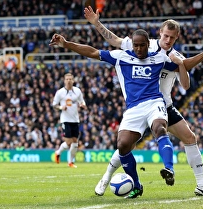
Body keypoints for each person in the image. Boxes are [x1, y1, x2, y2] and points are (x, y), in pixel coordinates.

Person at [84, 6, 203, 197]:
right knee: (125, 145)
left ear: (177, 37)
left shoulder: (174, 56)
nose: (168, 40)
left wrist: (188, 61)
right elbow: (115, 40)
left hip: (163, 106)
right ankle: (106, 177)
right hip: (141, 104)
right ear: (159, 34)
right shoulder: (143, 45)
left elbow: (186, 82)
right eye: (165, 36)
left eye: (172, 38)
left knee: (190, 138)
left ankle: (202, 185)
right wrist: (97, 23)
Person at [49, 29, 188, 198]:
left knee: (159, 128)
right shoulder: (120, 56)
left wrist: (200, 57)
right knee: (122, 145)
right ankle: (136, 185)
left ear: (148, 45)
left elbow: (185, 65)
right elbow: (92, 51)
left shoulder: (159, 58)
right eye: (136, 45)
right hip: (133, 109)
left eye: (142, 45)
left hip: (154, 103)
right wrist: (66, 44)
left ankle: (169, 169)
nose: (138, 49)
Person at [52, 73, 87, 168]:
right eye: (67, 79)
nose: (69, 81)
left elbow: (82, 101)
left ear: (73, 80)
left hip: (75, 119)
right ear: (64, 80)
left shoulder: (77, 91)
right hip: (65, 120)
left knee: (75, 142)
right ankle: (58, 153)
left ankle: (70, 162)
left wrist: (82, 104)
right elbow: (54, 105)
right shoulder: (60, 92)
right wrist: (60, 107)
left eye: (70, 79)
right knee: (68, 142)